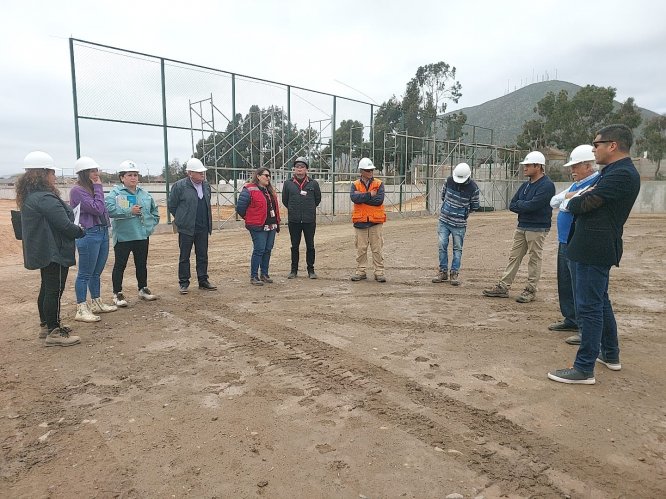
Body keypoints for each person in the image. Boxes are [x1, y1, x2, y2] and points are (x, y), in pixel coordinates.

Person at [548, 124, 640, 385]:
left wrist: (576, 200)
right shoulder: (613, 172)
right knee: (600, 301)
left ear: (612, 145)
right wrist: (578, 198)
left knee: (589, 308)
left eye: (596, 144)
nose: (593, 149)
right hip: (590, 247)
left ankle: (584, 368)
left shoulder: (620, 175)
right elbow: (580, 200)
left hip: (593, 248)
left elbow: (578, 204)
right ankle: (610, 354)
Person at [16, 151, 84, 346]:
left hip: (43, 248)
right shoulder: (45, 198)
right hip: (53, 249)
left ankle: (46, 325)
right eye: (53, 173)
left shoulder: (32, 196)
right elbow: (63, 224)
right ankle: (53, 332)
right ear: (43, 173)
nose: (54, 177)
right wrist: (79, 231)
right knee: (54, 289)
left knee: (47, 287)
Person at [482, 151, 555, 302]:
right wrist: (524, 205)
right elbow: (512, 204)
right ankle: (503, 286)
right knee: (514, 257)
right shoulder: (526, 185)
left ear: (538, 166)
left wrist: (522, 205)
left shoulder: (547, 186)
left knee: (534, 259)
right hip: (522, 226)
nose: (524, 168)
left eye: (528, 165)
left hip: (537, 228)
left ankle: (530, 289)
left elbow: (532, 205)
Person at [548, 145, 599, 344]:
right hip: (564, 241)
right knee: (566, 282)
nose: (572, 170)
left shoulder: (595, 183)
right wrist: (568, 198)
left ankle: (583, 326)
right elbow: (554, 201)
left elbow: (569, 205)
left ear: (588, 165)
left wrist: (567, 200)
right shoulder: (576, 185)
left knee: (581, 286)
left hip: (577, 241)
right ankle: (570, 318)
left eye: (576, 166)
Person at [105, 160, 160, 307]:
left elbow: (154, 211)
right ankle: (117, 293)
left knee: (141, 264)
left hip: (142, 235)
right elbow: (109, 210)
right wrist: (130, 211)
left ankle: (143, 288)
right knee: (120, 265)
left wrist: (151, 226)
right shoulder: (115, 194)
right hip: (123, 237)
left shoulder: (144, 194)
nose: (133, 178)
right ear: (122, 177)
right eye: (129, 175)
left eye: (135, 175)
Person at [70, 156, 117, 322]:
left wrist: (97, 188)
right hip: (89, 233)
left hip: (102, 231)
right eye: (92, 171)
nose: (96, 174)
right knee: (85, 273)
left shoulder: (93, 188)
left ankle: (96, 302)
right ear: (83, 173)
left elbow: (102, 208)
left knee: (96, 272)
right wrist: (98, 187)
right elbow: (97, 208)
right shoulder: (77, 190)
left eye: (96, 170)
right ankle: (81, 308)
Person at [168, 158, 216, 294]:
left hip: (203, 226)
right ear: (190, 173)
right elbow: (172, 205)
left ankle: (203, 280)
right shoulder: (179, 186)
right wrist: (182, 219)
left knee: (202, 255)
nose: (202, 174)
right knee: (184, 256)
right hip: (186, 227)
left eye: (203, 172)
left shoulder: (206, 186)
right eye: (199, 172)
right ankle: (184, 282)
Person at [431, 162, 480, 286]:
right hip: (444, 221)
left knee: (457, 249)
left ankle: (454, 273)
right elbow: (443, 195)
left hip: (459, 224)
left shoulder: (473, 188)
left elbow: (475, 205)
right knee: (442, 246)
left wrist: (463, 214)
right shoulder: (449, 181)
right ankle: (443, 272)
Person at [236, 167, 281, 286]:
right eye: (266, 175)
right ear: (258, 176)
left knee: (267, 250)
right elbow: (240, 208)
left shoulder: (269, 190)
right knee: (259, 249)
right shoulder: (249, 189)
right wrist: (250, 218)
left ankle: (264, 274)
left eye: (269, 176)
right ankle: (254, 276)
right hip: (257, 226)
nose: (268, 178)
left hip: (271, 225)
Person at [282, 156, 322, 279]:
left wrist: (308, 210)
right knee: (294, 246)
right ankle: (293, 270)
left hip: (309, 220)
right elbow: (285, 200)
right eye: (297, 167)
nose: (299, 169)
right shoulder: (288, 184)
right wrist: (294, 210)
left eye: (302, 167)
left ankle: (311, 270)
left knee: (310, 245)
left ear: (306, 170)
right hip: (294, 220)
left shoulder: (313, 184)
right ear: (294, 169)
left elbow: (317, 199)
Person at [350, 157, 387, 282]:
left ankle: (379, 272)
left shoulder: (379, 184)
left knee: (377, 248)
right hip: (360, 222)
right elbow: (354, 198)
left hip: (375, 221)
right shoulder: (355, 184)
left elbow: (378, 201)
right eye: (368, 170)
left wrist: (362, 198)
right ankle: (361, 271)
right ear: (361, 171)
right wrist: (369, 195)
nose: (370, 172)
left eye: (371, 170)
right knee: (361, 248)